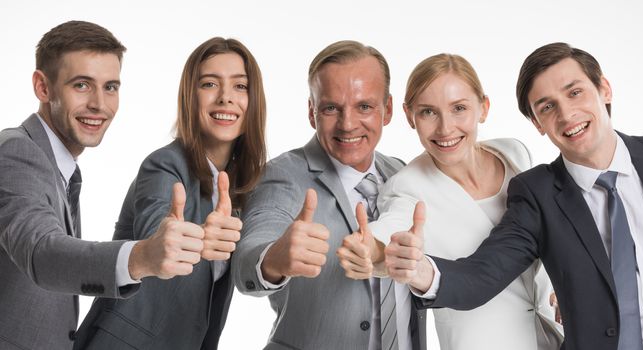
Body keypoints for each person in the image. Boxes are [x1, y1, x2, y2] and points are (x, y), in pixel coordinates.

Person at [384, 42, 643, 350]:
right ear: (537, 123)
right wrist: (420, 271)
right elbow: (483, 274)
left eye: (575, 92)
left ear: (604, 88)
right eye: (547, 106)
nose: (566, 114)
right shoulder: (537, 194)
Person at [0, 21, 207, 350]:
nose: (100, 104)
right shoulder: (17, 152)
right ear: (43, 87)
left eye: (110, 87)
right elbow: (41, 251)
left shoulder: (59, 166)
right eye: (82, 85)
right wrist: (141, 256)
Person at [338, 53, 561, 349]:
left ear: (483, 107)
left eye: (459, 108)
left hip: (557, 336)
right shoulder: (407, 187)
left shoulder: (514, 153)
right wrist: (374, 253)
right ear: (409, 116)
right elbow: (389, 236)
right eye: (428, 112)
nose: (445, 128)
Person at [73, 37, 267, 349]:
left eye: (240, 86)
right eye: (209, 84)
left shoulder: (240, 185)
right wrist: (196, 238)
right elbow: (157, 234)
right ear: (190, 97)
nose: (226, 98)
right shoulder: (164, 165)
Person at [231, 40, 426, 350]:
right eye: (331, 108)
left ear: (387, 110)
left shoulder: (402, 173)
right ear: (312, 112)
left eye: (364, 106)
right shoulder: (281, 176)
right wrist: (273, 259)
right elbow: (247, 260)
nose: (348, 125)